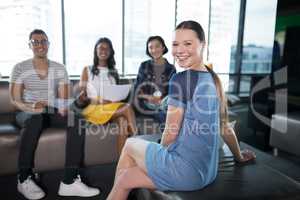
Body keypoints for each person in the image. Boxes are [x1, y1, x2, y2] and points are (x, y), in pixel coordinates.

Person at [106, 21, 256, 200]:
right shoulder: (213, 78)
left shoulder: (180, 79)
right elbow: (225, 127)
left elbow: (169, 135)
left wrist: (157, 158)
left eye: (188, 43)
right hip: (207, 172)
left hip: (184, 171)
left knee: (130, 144)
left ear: (203, 44)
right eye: (176, 44)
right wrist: (238, 157)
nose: (179, 50)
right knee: (125, 178)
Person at [9, 29, 100, 200]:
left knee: (76, 118)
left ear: (48, 44)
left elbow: (64, 99)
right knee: (36, 118)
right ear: (30, 45)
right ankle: (23, 178)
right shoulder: (20, 67)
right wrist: (34, 106)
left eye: (43, 41)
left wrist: (65, 106)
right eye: (35, 42)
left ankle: (69, 181)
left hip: (50, 110)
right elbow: (14, 99)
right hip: (27, 111)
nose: (39, 44)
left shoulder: (59, 68)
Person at [78, 37, 137, 154]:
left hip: (110, 108)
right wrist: (98, 101)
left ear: (110, 52)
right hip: (93, 108)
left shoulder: (113, 72)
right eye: (100, 48)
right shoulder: (87, 69)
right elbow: (82, 96)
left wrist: (115, 100)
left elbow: (115, 92)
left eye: (107, 48)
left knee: (123, 122)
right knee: (127, 107)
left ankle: (122, 165)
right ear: (95, 50)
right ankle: (139, 142)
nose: (103, 50)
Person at [133, 36, 176, 124]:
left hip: (164, 103)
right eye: (151, 47)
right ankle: (166, 137)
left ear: (163, 47)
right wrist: (149, 97)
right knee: (163, 114)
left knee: (171, 111)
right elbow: (137, 90)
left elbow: (173, 91)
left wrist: (163, 100)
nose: (154, 50)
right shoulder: (144, 66)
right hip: (147, 103)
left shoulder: (171, 68)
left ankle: (169, 136)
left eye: (157, 46)